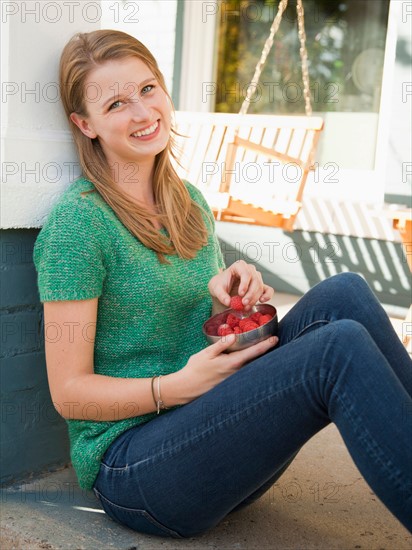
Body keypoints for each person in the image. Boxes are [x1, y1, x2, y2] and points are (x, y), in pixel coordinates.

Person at [33, 29, 412, 538]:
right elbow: (70, 393)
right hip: (137, 469)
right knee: (335, 350)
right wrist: (174, 388)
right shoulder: (78, 226)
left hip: (214, 436)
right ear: (86, 124)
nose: (143, 113)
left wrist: (224, 298)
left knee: (344, 292)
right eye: (117, 103)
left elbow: (193, 321)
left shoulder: (187, 202)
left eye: (148, 89)